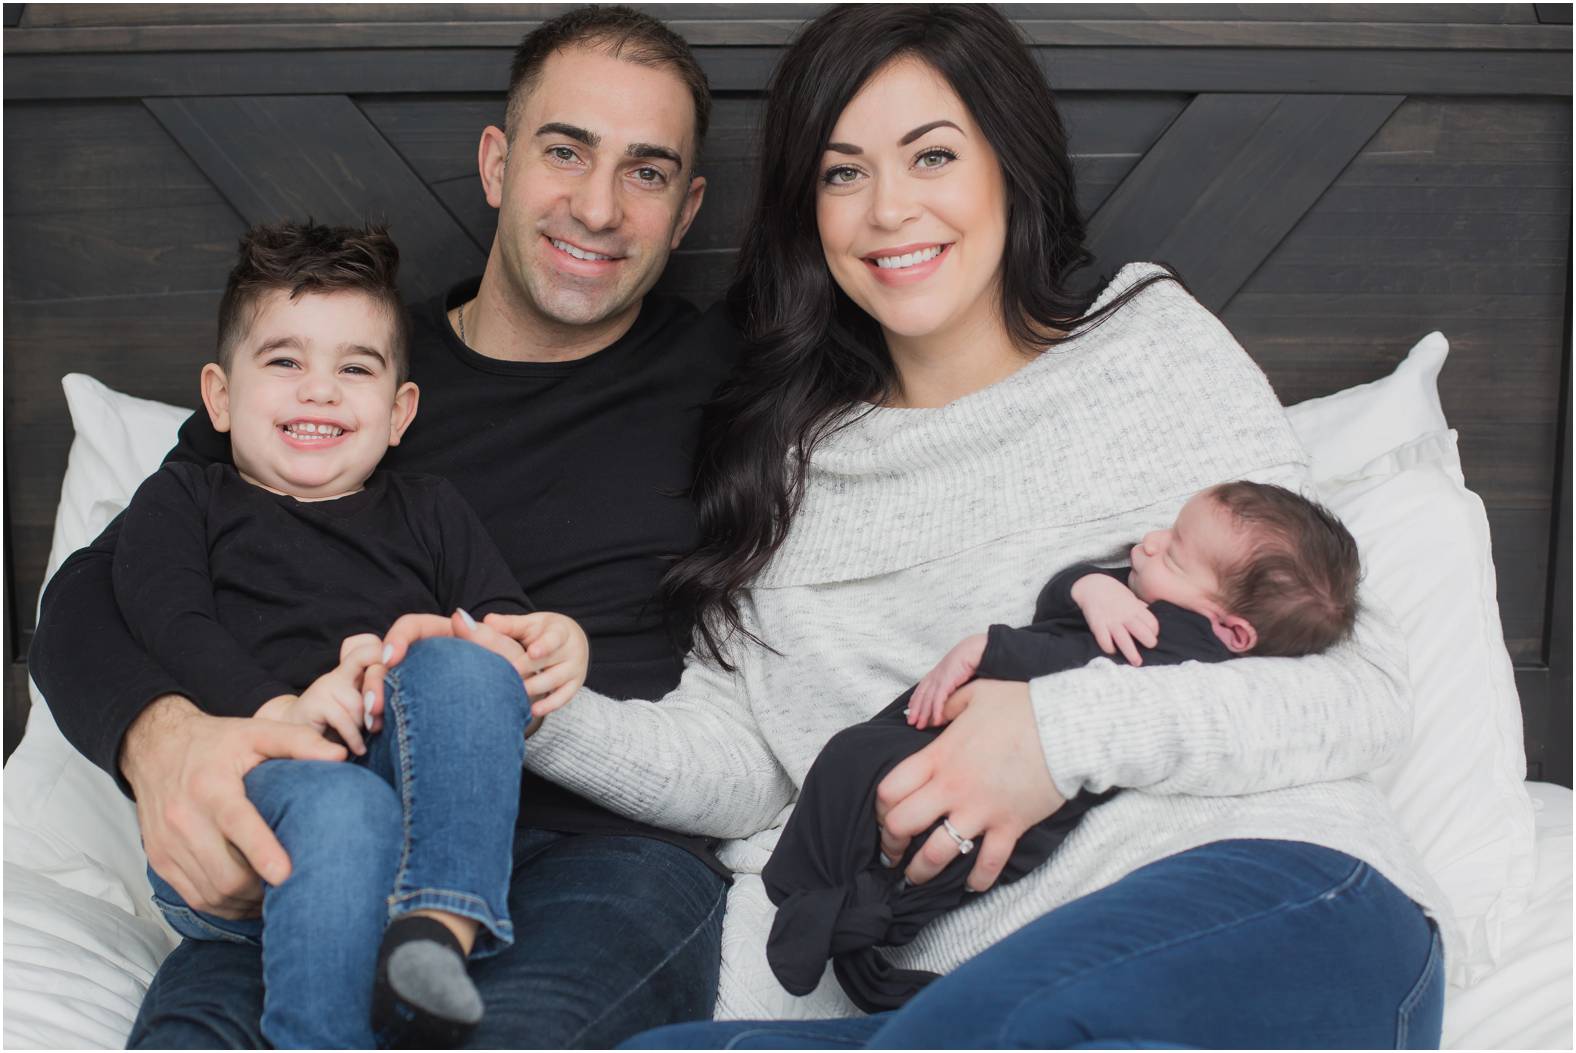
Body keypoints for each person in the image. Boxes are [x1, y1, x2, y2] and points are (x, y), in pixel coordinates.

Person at [385, 5, 1455, 1047]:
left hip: (1254, 903)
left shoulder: (1148, 349)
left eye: (931, 157)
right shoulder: (781, 459)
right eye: (844, 173)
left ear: (1007, 167)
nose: (888, 210)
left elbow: (1357, 690)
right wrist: (521, 697)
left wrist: (1052, 738)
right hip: (942, 998)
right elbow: (743, 767)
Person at [30, 8, 739, 1048]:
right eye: (564, 149)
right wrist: (166, 741)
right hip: (331, 824)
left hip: (598, 858)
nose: (596, 206)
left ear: (686, 211)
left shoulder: (738, 389)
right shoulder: (340, 373)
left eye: (646, 171)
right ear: (497, 162)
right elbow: (92, 597)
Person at [113, 220, 594, 1047]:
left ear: (400, 409)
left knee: (469, 668)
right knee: (346, 809)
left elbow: (498, 630)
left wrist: (549, 643)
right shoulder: (185, 501)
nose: (320, 391)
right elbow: (169, 619)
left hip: (408, 813)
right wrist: (282, 711)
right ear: (220, 396)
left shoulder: (432, 509)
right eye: (285, 361)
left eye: (355, 368)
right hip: (250, 810)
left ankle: (435, 938)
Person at [763, 481, 1364, 1013]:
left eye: (1175, 554)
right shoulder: (1145, 596)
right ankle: (839, 909)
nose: (1151, 541)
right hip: (984, 751)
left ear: (1232, 631)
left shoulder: (1188, 645)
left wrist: (992, 649)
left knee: (886, 796)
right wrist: (1087, 589)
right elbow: (1061, 607)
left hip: (1019, 800)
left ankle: (837, 910)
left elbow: (1084, 665)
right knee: (862, 767)